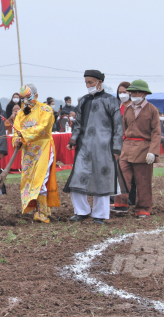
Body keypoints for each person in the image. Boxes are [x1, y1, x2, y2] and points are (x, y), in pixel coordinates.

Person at [63, 70, 125, 225]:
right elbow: (77, 124)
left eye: (90, 82)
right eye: (86, 83)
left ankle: (99, 214)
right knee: (77, 178)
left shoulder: (111, 100)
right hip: (84, 148)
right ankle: (81, 211)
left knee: (102, 180)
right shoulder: (83, 101)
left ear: (99, 82)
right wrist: (73, 140)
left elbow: (118, 126)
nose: (87, 85)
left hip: (104, 148)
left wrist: (117, 148)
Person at [112, 80, 161, 217]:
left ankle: (143, 209)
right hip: (127, 147)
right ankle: (120, 205)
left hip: (144, 149)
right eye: (132, 92)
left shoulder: (152, 110)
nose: (133, 94)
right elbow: (122, 130)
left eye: (136, 92)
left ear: (144, 94)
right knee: (121, 177)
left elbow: (156, 132)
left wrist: (153, 151)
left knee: (143, 181)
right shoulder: (127, 108)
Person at [12, 84, 60, 223]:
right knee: (29, 182)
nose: (25, 101)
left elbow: (43, 129)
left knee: (41, 179)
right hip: (28, 153)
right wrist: (16, 140)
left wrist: (24, 134)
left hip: (43, 149)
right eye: (23, 98)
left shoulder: (46, 110)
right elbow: (16, 131)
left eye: (28, 97)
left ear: (36, 96)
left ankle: (42, 213)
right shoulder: (21, 114)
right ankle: (39, 210)